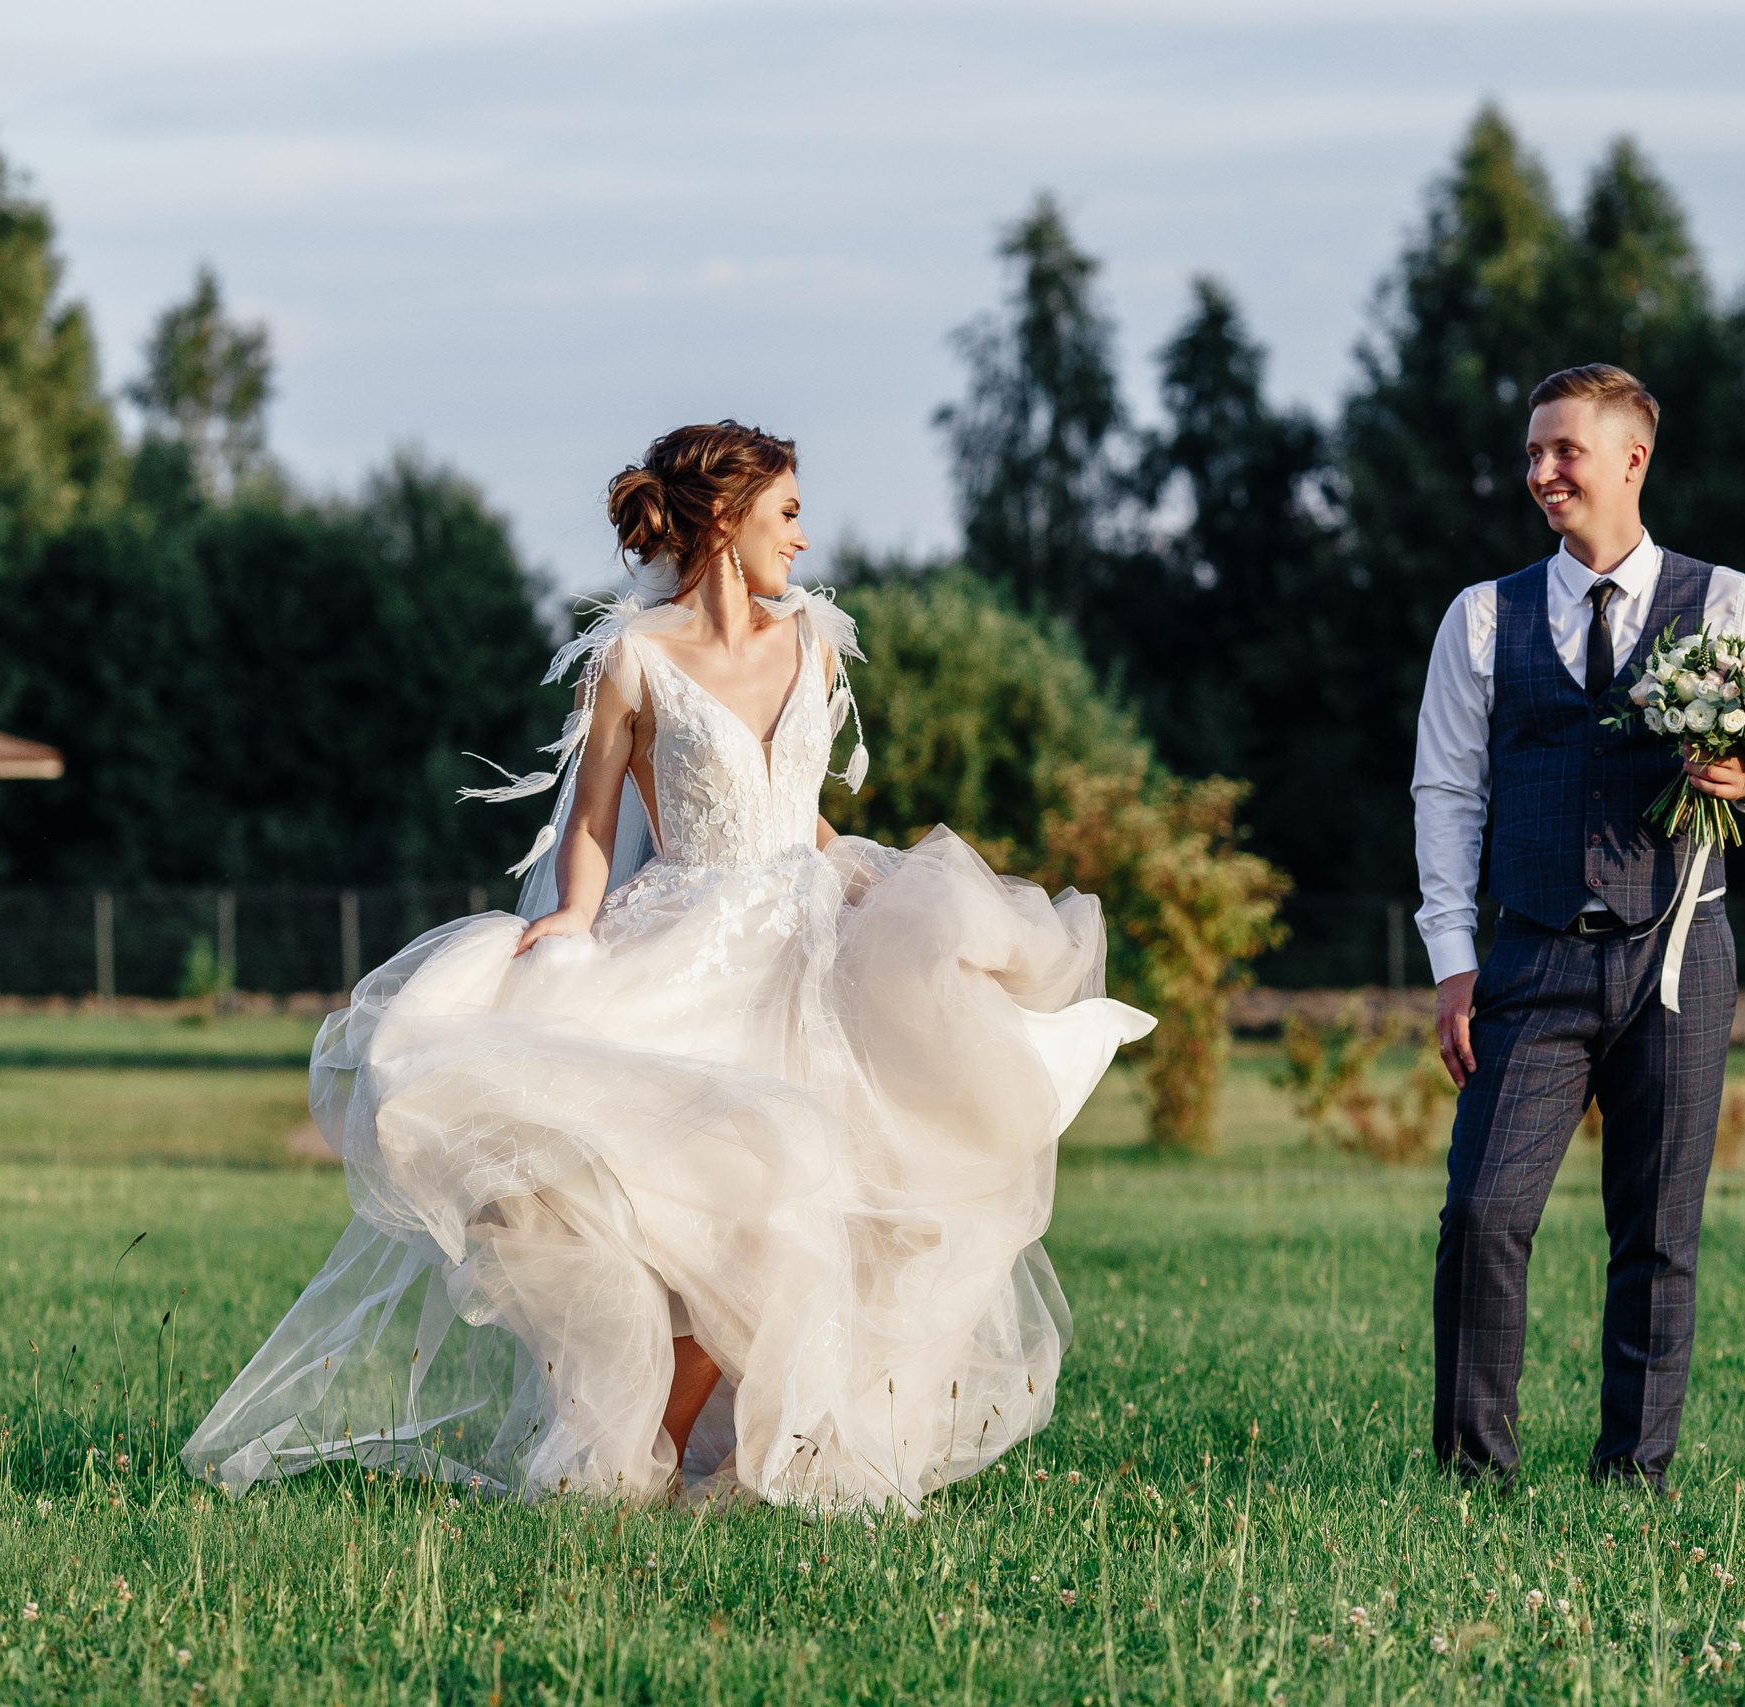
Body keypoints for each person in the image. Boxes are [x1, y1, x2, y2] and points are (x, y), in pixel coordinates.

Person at [183, 421, 1153, 1511]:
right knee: (699, 1206)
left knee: (836, 1196)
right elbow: (593, 822)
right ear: (727, 521)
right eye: (785, 512)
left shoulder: (815, 644)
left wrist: (870, 879)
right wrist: (570, 923)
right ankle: (638, 1448)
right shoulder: (632, 658)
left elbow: (804, 810)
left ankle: (722, 1446)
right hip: (693, 943)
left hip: (815, 943)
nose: (801, 534)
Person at [1413, 365, 1745, 1488]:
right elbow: (1446, 794)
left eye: (1563, 452)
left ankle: (1633, 1478)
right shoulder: (1481, 617)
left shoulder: (1728, 603)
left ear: (1632, 459)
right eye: (1532, 454)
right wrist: (1453, 964)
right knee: (1482, 1215)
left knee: (1657, 1236)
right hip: (1529, 959)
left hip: (1678, 956)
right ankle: (1473, 1475)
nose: (1540, 473)